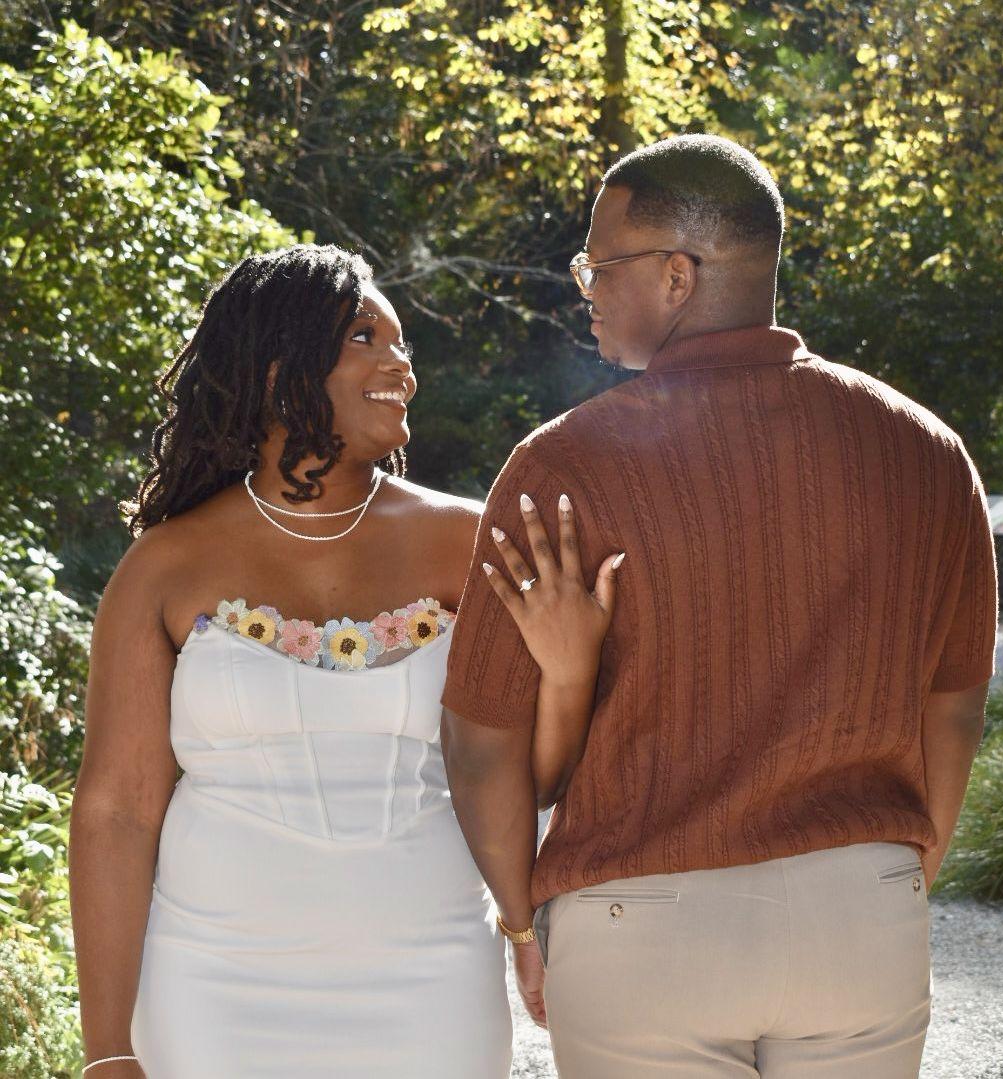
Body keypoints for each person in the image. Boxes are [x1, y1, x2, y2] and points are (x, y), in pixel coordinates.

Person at [441, 134, 998, 1078]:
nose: (585, 288)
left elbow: (479, 743)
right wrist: (897, 877)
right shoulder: (929, 452)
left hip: (638, 930)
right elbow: (954, 707)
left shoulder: (561, 466)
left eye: (598, 265)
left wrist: (521, 921)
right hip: (861, 919)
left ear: (676, 275)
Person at [68, 244, 620, 1078]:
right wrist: (108, 1048)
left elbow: (526, 780)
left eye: (403, 345)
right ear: (275, 365)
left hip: (433, 980)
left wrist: (571, 670)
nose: (401, 367)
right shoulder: (166, 566)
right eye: (366, 337)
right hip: (210, 987)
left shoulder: (471, 543)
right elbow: (117, 810)